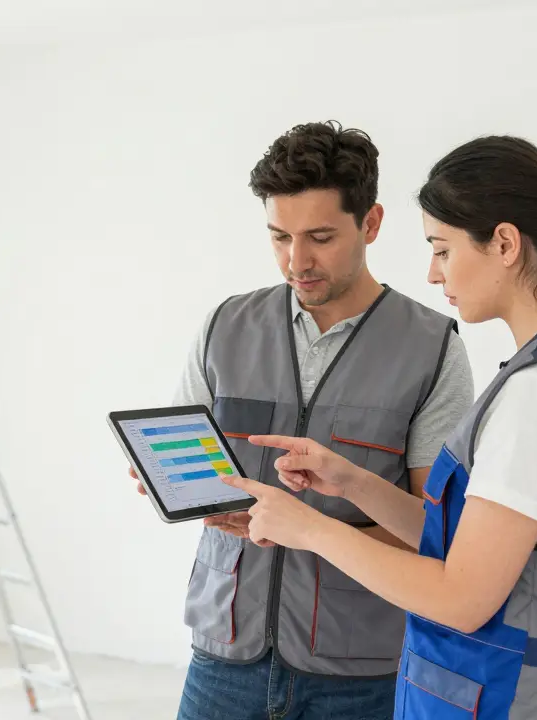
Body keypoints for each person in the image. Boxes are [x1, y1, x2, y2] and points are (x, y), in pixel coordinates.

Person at [221, 135, 537, 720]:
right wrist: (352, 482)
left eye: (443, 249)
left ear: (504, 243)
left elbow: (462, 597)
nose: (432, 274)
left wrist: (311, 530)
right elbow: (461, 539)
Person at [132, 121, 475, 720]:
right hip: (222, 655)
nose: (297, 261)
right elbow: (194, 475)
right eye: (279, 237)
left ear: (370, 224)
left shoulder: (431, 349)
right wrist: (170, 481)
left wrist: (306, 531)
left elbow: (434, 530)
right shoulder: (224, 329)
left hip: (359, 672)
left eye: (320, 237)